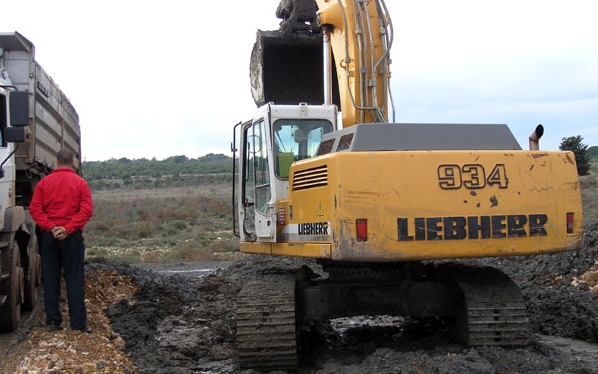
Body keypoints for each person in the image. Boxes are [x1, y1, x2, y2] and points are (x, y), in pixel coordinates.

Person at [29, 149, 93, 333]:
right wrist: (68, 228)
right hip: (71, 237)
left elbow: (35, 209)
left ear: (56, 162)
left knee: (50, 278)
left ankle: (54, 322)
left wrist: (50, 227)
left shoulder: (43, 183)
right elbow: (86, 210)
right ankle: (77, 325)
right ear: (72, 162)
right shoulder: (81, 183)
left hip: (49, 237)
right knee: (74, 279)